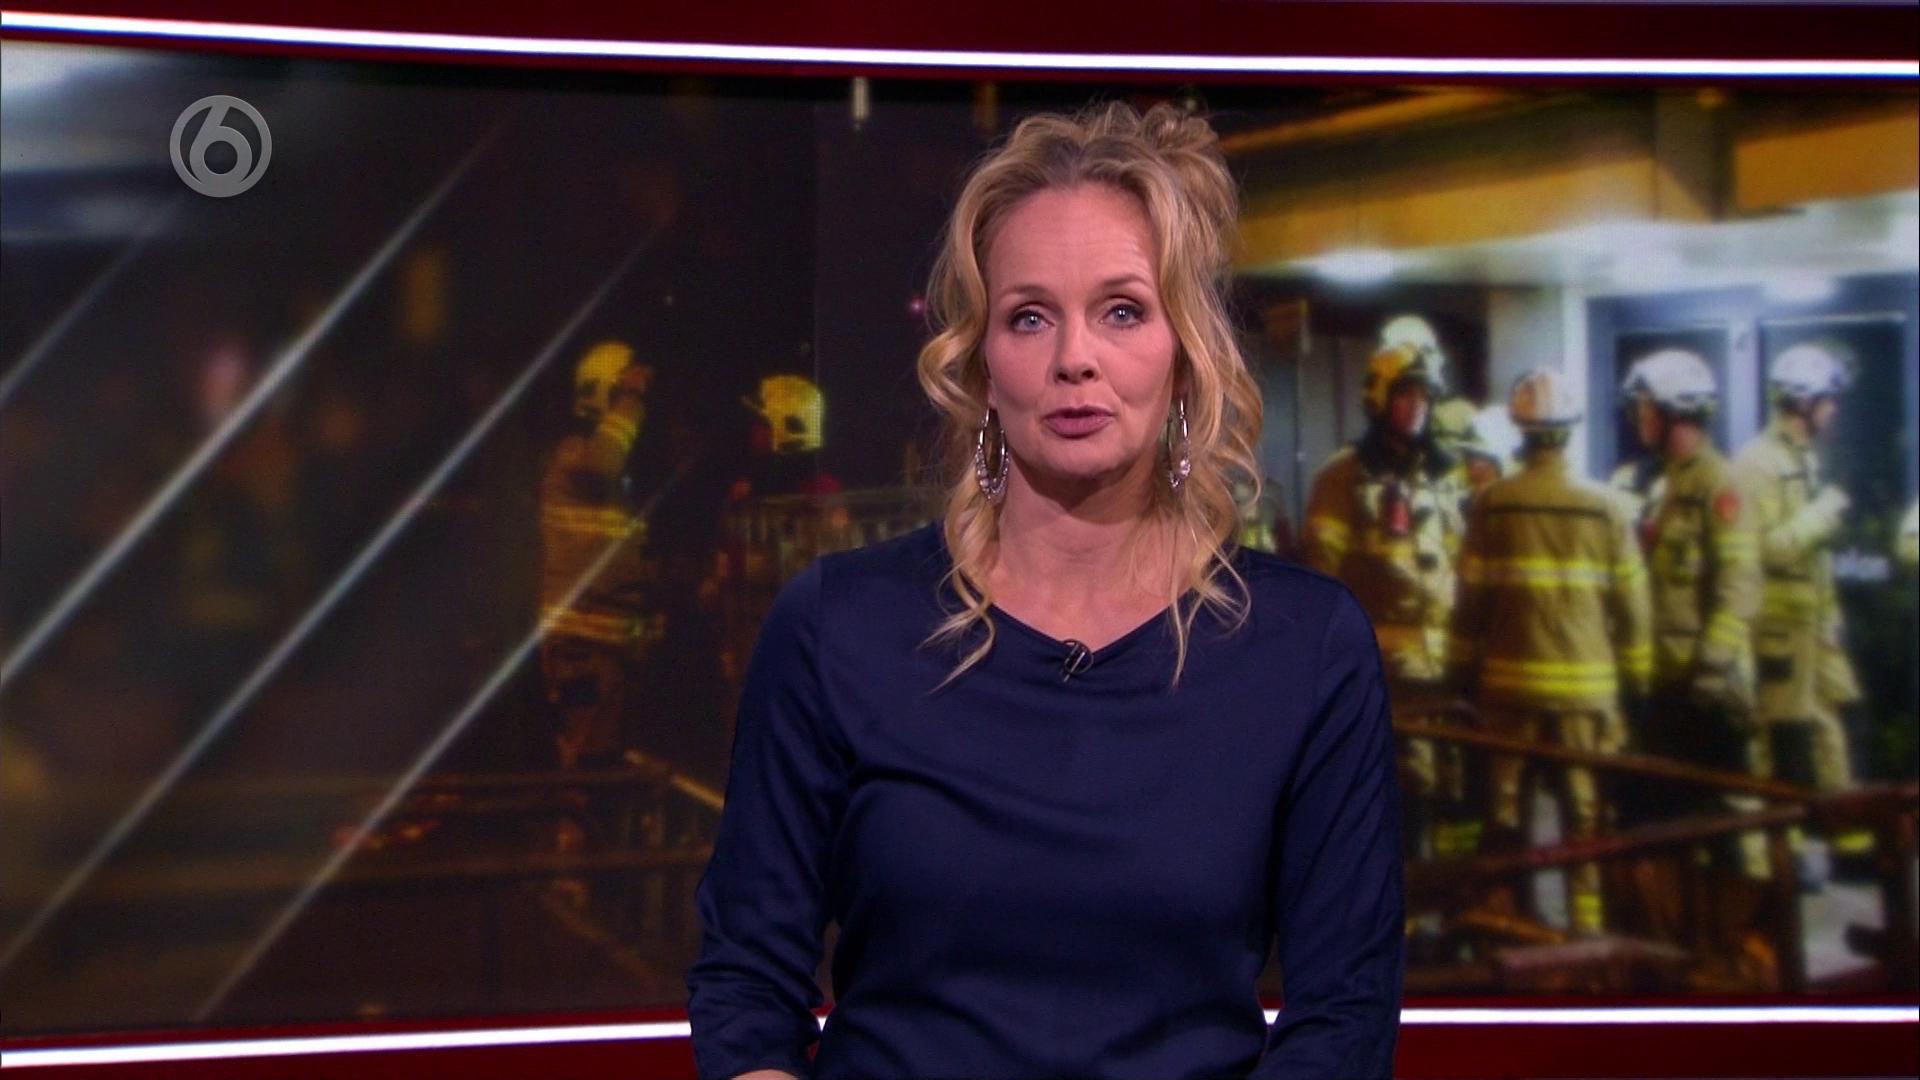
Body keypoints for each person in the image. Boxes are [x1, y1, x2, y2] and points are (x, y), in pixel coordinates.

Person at [687, 102, 1403, 1080]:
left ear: (1185, 350)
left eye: (1122, 310)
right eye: (1030, 316)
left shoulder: (1304, 647)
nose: (1075, 358)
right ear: (981, 361)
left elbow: (1345, 1017)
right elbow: (746, 984)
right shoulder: (837, 625)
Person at [1449, 369, 1651, 934]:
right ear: (1570, 430)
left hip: (1508, 689)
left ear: (1521, 430)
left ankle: (1511, 924)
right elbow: (1634, 609)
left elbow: (1469, 603)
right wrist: (1640, 684)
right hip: (1587, 692)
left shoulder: (1493, 504)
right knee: (1585, 817)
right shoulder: (1608, 508)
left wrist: (1458, 673)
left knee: (1505, 812)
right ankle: (1587, 935)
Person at [1302, 334, 1464, 862]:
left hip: (1444, 672)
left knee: (1445, 794)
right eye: (1406, 393)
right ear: (1379, 397)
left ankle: (1441, 898)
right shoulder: (1344, 477)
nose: (1417, 406)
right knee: (1393, 800)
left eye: (1425, 395)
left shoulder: (1444, 476)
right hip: (1384, 674)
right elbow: (1320, 583)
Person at [1731, 343, 1860, 796]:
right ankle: (1763, 836)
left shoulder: (1804, 457)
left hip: (1812, 625)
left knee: (1828, 723)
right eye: (1827, 399)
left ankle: (1845, 828)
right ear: (1804, 402)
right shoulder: (1756, 463)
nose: (1833, 409)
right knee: (1770, 738)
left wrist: (1830, 617)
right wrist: (1823, 513)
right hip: (1778, 630)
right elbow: (1766, 549)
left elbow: (1812, 558)